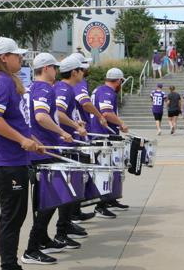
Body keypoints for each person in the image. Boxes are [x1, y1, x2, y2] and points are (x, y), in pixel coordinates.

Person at [0, 37, 42, 270]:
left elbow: (14, 120)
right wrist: (21, 140)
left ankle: (13, 268)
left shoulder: (8, 81)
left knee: (18, 215)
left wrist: (32, 140)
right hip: (3, 159)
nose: (21, 58)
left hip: (13, 158)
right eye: (17, 55)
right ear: (4, 57)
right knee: (11, 215)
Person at [23, 53, 79, 265]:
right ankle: (32, 248)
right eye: (54, 67)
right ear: (46, 68)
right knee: (49, 200)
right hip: (44, 151)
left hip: (39, 150)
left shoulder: (31, 88)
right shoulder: (45, 88)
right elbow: (40, 116)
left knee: (46, 200)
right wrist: (62, 132)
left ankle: (43, 239)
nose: (56, 71)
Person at [53, 54, 90, 248]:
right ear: (74, 72)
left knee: (72, 189)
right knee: (67, 190)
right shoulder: (65, 89)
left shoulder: (65, 88)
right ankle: (62, 231)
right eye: (81, 70)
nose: (83, 72)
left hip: (68, 143)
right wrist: (76, 127)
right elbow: (58, 113)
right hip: (64, 144)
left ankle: (66, 226)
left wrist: (76, 122)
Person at [68, 51, 107, 225]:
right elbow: (84, 102)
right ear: (78, 69)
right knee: (77, 175)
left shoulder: (77, 82)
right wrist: (99, 115)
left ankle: (75, 212)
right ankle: (72, 215)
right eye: (85, 65)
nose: (88, 68)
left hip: (78, 130)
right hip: (77, 134)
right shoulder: (79, 83)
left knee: (79, 175)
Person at [89, 68, 130, 217]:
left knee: (112, 169)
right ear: (118, 80)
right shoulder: (107, 92)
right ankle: (100, 205)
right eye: (121, 81)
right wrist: (121, 124)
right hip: (102, 135)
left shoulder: (99, 89)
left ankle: (110, 199)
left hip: (103, 134)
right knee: (105, 170)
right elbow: (106, 112)